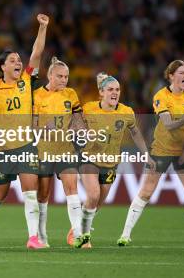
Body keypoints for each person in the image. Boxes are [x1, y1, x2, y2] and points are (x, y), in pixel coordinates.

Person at [118, 60, 184, 249]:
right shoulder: (161, 96)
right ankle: (125, 235)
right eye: (181, 72)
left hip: (183, 149)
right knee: (146, 191)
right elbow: (169, 124)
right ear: (171, 76)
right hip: (161, 149)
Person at [0, 14, 49, 249]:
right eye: (13, 61)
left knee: (30, 192)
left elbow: (36, 52)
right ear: (3, 66)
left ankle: (33, 237)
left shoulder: (26, 79)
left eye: (19, 60)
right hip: (4, 148)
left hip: (26, 145)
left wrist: (43, 27)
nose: (18, 63)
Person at [78, 72, 155, 248]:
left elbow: (135, 132)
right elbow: (74, 127)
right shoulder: (88, 109)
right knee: (93, 195)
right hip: (88, 159)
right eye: (111, 89)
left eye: (118, 89)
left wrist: (146, 155)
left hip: (111, 162)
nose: (115, 92)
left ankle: (79, 225)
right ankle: (85, 237)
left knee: (97, 204)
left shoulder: (126, 112)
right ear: (101, 93)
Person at [33, 57, 86, 248]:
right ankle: (42, 236)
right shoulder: (37, 96)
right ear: (50, 75)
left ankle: (78, 234)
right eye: (60, 76)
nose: (64, 80)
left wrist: (80, 129)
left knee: (72, 188)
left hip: (66, 150)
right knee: (43, 195)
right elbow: (32, 127)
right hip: (44, 151)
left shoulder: (71, 94)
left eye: (66, 77)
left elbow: (78, 119)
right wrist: (46, 128)